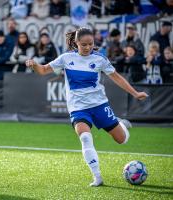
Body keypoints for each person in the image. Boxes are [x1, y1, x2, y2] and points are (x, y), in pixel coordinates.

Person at [25, 27, 148, 187]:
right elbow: (42, 70)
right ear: (76, 43)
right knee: (85, 138)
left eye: (91, 44)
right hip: (78, 108)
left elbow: (117, 78)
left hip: (99, 105)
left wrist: (135, 93)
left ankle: (122, 124)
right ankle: (97, 177)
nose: (88, 47)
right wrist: (34, 64)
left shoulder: (100, 59)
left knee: (122, 140)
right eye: (84, 44)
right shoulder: (66, 58)